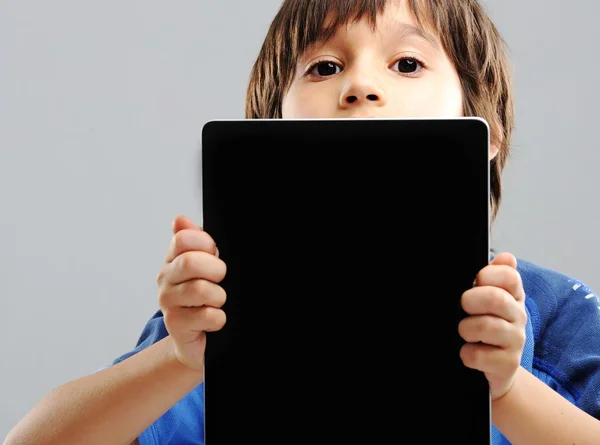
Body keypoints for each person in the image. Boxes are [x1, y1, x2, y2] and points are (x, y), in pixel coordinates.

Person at [5, 1, 600, 444]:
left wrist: (507, 391)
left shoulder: (549, 311)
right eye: (322, 67)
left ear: (488, 135)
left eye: (408, 62)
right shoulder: (214, 314)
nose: (360, 86)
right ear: (272, 121)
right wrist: (179, 361)